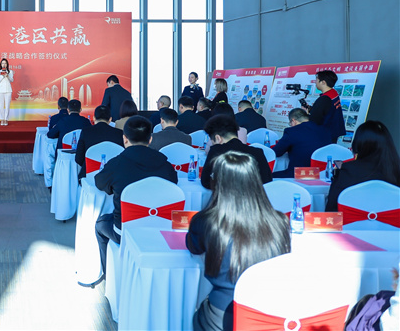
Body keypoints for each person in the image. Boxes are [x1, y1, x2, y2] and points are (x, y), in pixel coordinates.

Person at [187, 152, 291, 331]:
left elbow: (194, 247)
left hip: (223, 313)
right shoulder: (279, 221)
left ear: (218, 182)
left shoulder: (207, 221)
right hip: (270, 314)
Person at [94, 116, 178, 275]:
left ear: (125, 139)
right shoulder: (165, 164)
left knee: (100, 224)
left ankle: (109, 276)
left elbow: (99, 183)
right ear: (150, 139)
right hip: (162, 230)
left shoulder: (116, 163)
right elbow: (173, 185)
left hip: (125, 232)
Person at [326, 120, 400, 212]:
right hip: (390, 221)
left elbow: (331, 208)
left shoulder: (347, 171)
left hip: (350, 221)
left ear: (358, 143)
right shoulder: (395, 170)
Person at [201, 115, 272, 190]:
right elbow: (267, 181)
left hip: (227, 196)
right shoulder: (258, 152)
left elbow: (206, 181)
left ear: (218, 138)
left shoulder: (217, 151)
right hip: (254, 196)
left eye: (213, 142)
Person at [272, 108, 331, 179]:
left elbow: (276, 152)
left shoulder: (291, 131)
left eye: (290, 123)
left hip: (301, 173)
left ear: (293, 121)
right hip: (322, 174)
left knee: (268, 176)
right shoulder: (324, 130)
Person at [74, 106, 124, 180]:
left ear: (94, 118)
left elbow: (78, 159)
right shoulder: (119, 133)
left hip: (89, 176)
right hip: (114, 178)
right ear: (110, 119)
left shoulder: (86, 132)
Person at [305, 70, 347, 143]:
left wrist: (307, 114)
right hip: (333, 132)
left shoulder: (324, 99)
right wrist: (313, 109)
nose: (315, 82)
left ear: (323, 82)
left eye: (317, 80)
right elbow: (327, 111)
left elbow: (314, 120)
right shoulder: (334, 93)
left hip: (324, 135)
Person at [0, 58, 14, 126]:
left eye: (5, 63)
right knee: (1, 105)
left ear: (7, 64)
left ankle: (6, 119)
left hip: (8, 90)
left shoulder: (10, 72)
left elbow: (12, 80)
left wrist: (7, 76)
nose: (4, 64)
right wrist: (3, 76)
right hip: (0, 90)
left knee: (7, 105)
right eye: (3, 63)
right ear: (1, 64)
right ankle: (2, 119)